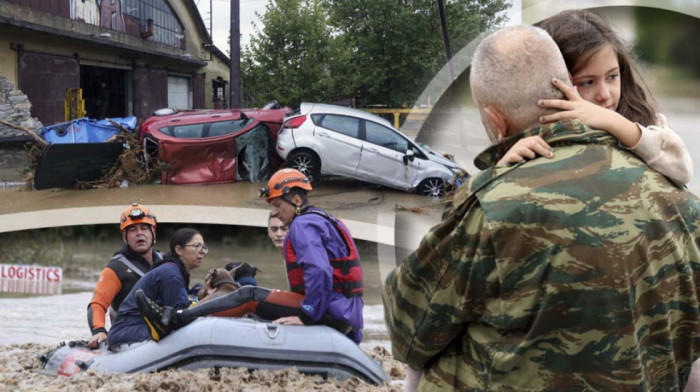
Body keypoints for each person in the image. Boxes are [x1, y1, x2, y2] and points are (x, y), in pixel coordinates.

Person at [383, 25, 700, 391]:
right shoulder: (679, 198)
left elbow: (410, 325)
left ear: (495, 120)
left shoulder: (492, 206)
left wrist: (483, 186)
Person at [135, 168, 364, 343]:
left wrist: (306, 316)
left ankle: (174, 320)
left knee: (249, 294)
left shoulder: (302, 225)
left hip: (329, 311)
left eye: (277, 205)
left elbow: (319, 270)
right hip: (345, 313)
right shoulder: (325, 220)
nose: (274, 212)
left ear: (295, 200)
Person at [499, 10, 692, 186]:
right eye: (587, 82)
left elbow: (682, 170)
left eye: (612, 77)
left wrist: (615, 123)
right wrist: (502, 168)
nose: (604, 95)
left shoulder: (644, 121)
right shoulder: (536, 131)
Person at [107, 227, 205, 347]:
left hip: (138, 328)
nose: (202, 251)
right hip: (127, 331)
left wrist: (204, 293)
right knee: (177, 332)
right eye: (197, 246)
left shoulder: (177, 271)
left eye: (203, 247)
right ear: (179, 250)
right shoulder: (171, 274)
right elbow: (183, 315)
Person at [86, 202, 161, 348]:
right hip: (130, 333)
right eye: (132, 230)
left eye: (144, 228)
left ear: (153, 232)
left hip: (162, 325)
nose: (139, 233)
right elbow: (97, 305)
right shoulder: (116, 269)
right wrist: (99, 331)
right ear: (125, 237)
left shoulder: (166, 261)